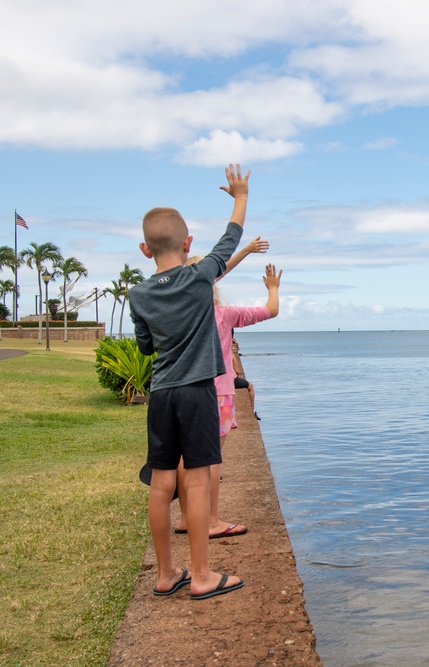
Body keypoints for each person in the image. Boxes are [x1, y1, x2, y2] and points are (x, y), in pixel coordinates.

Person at [129, 164, 249, 600]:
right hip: (197, 392)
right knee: (196, 482)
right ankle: (201, 575)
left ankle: (166, 574)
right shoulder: (200, 277)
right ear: (188, 244)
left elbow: (145, 347)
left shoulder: (138, 295)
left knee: (162, 484)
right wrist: (240, 196)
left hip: (161, 395)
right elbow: (230, 239)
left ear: (145, 249)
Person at [174, 263, 281, 537]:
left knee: (186, 457)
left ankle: (187, 518)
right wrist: (273, 289)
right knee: (210, 460)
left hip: (184, 391)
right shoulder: (222, 315)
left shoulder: (178, 316)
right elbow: (270, 311)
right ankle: (210, 520)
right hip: (217, 392)